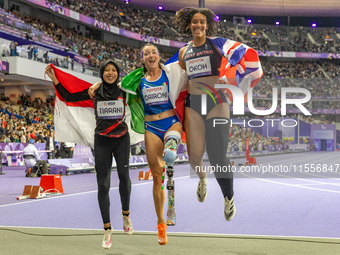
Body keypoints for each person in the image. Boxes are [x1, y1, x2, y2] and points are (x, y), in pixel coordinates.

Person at [89, 43, 187, 245]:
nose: (151, 55)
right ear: (142, 59)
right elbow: (115, 87)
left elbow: (186, 69)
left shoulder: (170, 74)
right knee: (156, 177)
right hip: (151, 128)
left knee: (173, 137)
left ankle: (171, 146)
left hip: (171, 122)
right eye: (146, 53)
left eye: (154, 52)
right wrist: (98, 84)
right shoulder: (137, 83)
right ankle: (161, 223)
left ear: (159, 56)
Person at [175, 8, 263, 221]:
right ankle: (202, 178)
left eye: (202, 22)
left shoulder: (217, 45)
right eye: (194, 22)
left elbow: (238, 56)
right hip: (193, 104)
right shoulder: (183, 52)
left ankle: (229, 197)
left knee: (217, 155)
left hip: (216, 101)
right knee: (194, 156)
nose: (198, 25)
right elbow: (180, 76)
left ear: (207, 25)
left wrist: (230, 79)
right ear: (189, 25)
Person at [45, 60, 133, 249]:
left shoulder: (125, 90)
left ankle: (126, 215)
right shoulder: (94, 91)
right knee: (103, 185)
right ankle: (107, 229)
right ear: (101, 73)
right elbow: (69, 96)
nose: (110, 73)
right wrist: (56, 81)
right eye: (107, 70)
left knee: (124, 177)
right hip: (101, 141)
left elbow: (141, 82)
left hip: (121, 140)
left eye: (114, 70)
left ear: (118, 73)